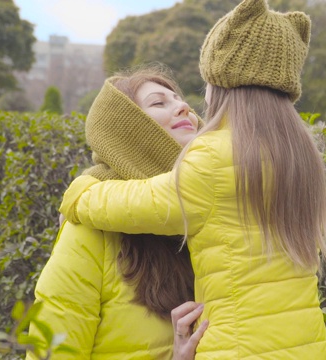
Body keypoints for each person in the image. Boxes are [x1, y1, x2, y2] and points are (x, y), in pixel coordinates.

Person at [59, 0, 326, 358]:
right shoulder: (301, 158)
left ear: (221, 84)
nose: (191, 104)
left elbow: (141, 202)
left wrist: (80, 192)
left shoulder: (213, 157)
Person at [26, 65, 207, 360]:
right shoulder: (89, 228)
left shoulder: (207, 213)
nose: (184, 107)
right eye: (159, 102)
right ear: (129, 131)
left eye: (179, 99)